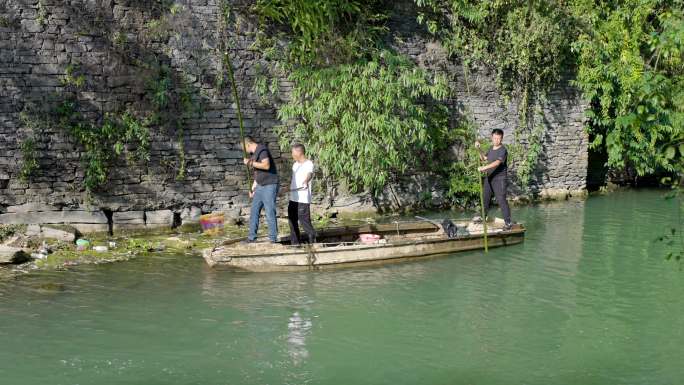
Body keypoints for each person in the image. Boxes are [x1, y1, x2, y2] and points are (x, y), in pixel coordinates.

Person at [242, 136, 279, 243]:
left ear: (247, 144)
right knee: (254, 211)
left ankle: (273, 239)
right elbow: (258, 173)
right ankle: (251, 237)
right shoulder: (253, 155)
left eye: (244, 148)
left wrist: (250, 163)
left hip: (270, 185)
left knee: (269, 211)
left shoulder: (262, 150)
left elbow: (266, 166)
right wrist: (253, 188)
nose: (244, 151)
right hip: (260, 186)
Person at [475, 128, 513, 230]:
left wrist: (484, 168)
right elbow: (483, 158)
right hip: (489, 178)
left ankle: (508, 223)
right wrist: (479, 149)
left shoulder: (503, 150)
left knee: (501, 200)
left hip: (500, 179)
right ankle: (483, 217)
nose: (496, 140)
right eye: (495, 138)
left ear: (502, 139)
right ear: (492, 137)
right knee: (485, 198)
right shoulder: (491, 148)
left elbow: (497, 163)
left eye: (499, 138)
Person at [288, 143, 316, 246]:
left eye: (293, 152)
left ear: (299, 152)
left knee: (305, 222)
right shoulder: (295, 165)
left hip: (303, 199)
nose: (292, 154)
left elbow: (310, 174)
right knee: (292, 221)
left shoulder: (309, 164)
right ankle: (295, 243)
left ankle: (313, 243)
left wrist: (306, 181)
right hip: (293, 198)